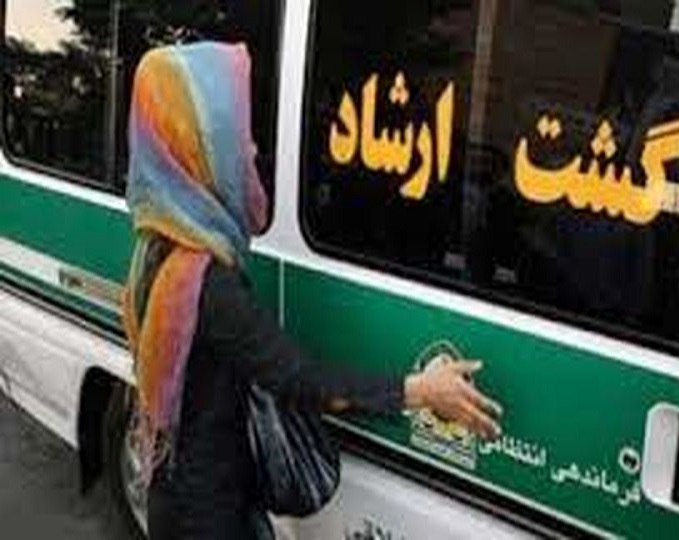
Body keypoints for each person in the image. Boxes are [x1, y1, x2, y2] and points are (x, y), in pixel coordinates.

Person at [121, 42, 502, 540]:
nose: (251, 151)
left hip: (172, 500)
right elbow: (302, 380)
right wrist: (421, 391)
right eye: (235, 138)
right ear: (195, 150)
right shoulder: (204, 282)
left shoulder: (154, 249)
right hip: (208, 519)